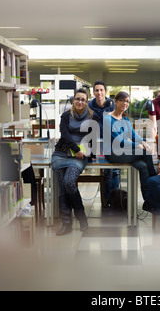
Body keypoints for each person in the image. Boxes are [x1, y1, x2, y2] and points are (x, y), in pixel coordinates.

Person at [51, 88, 100, 235]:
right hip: (62, 153)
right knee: (62, 187)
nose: (80, 102)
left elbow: (93, 137)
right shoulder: (66, 116)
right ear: (73, 100)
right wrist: (76, 149)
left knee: (68, 182)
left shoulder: (93, 116)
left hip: (79, 156)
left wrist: (87, 154)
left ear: (86, 102)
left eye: (83, 100)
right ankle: (66, 223)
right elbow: (65, 135)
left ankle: (81, 217)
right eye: (77, 99)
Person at [103, 91, 156, 209]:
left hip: (124, 152)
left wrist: (143, 143)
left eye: (127, 101)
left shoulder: (125, 119)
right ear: (115, 101)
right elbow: (118, 141)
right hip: (113, 153)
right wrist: (137, 146)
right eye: (122, 100)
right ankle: (155, 180)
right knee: (144, 152)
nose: (125, 103)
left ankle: (148, 201)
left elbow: (133, 135)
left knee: (142, 165)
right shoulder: (108, 119)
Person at [88, 80, 120, 207]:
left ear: (105, 92)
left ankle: (116, 200)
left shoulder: (112, 105)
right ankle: (106, 201)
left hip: (112, 142)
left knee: (115, 171)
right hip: (98, 143)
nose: (99, 92)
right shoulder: (90, 106)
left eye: (101, 90)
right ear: (93, 92)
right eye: (97, 90)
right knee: (107, 172)